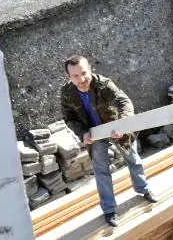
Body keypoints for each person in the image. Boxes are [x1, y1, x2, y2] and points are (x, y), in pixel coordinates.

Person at [61, 55, 157, 227]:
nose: (82, 79)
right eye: (75, 76)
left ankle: (144, 189)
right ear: (69, 77)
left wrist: (124, 123)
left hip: (116, 129)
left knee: (133, 159)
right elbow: (69, 117)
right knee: (101, 172)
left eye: (84, 73)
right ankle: (109, 210)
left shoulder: (104, 84)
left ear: (90, 68)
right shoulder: (67, 92)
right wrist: (82, 132)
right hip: (94, 134)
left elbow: (124, 101)